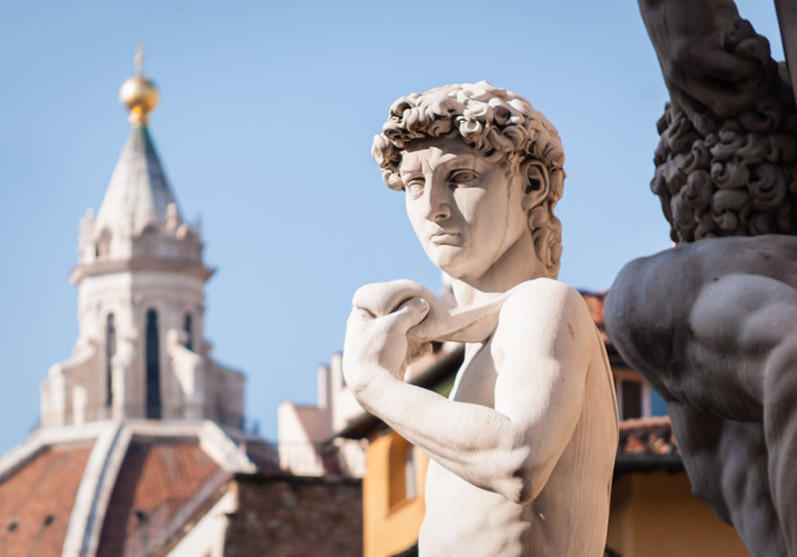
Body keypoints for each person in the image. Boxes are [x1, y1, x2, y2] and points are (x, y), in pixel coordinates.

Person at [343, 82, 618, 556]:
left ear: (532, 185)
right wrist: (442, 324)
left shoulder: (544, 304)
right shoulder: (484, 345)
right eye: (414, 184)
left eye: (461, 177)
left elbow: (517, 458)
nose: (434, 208)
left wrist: (375, 386)